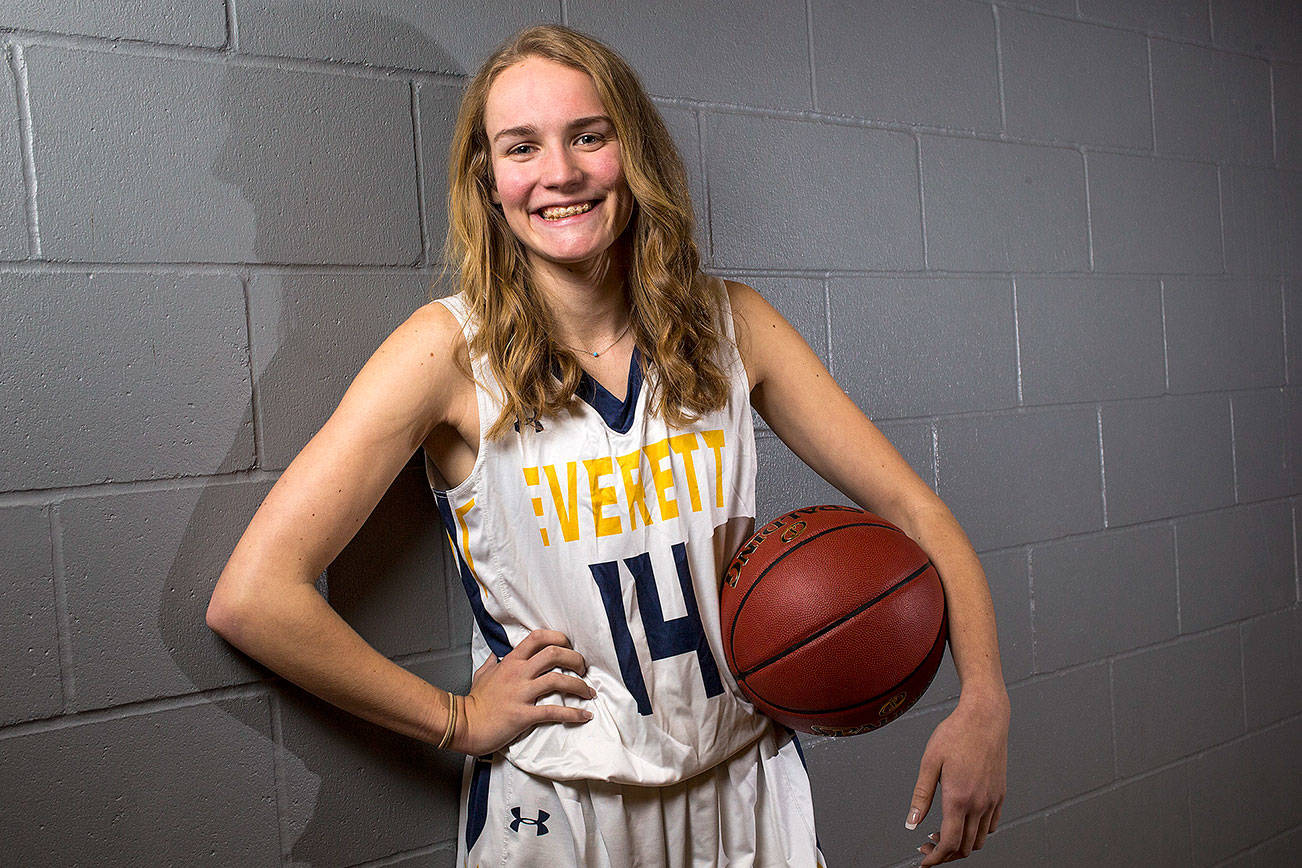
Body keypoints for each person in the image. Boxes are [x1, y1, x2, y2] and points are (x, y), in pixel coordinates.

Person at [206, 23, 1009, 868]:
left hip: (745, 787)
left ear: (634, 151)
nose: (560, 172)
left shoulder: (735, 327)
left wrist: (984, 698)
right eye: (522, 147)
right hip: (563, 808)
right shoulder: (446, 355)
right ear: (488, 180)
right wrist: (459, 718)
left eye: (589, 135)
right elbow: (255, 596)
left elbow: (915, 508)